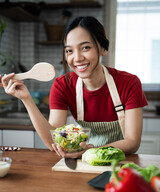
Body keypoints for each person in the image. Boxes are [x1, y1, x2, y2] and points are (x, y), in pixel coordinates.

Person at [0, 16, 148, 158]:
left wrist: (91, 150)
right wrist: (26, 99)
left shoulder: (129, 83)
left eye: (85, 48)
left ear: (103, 48)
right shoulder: (63, 85)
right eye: (69, 50)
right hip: (84, 161)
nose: (77, 58)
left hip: (121, 162)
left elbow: (132, 142)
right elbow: (53, 141)